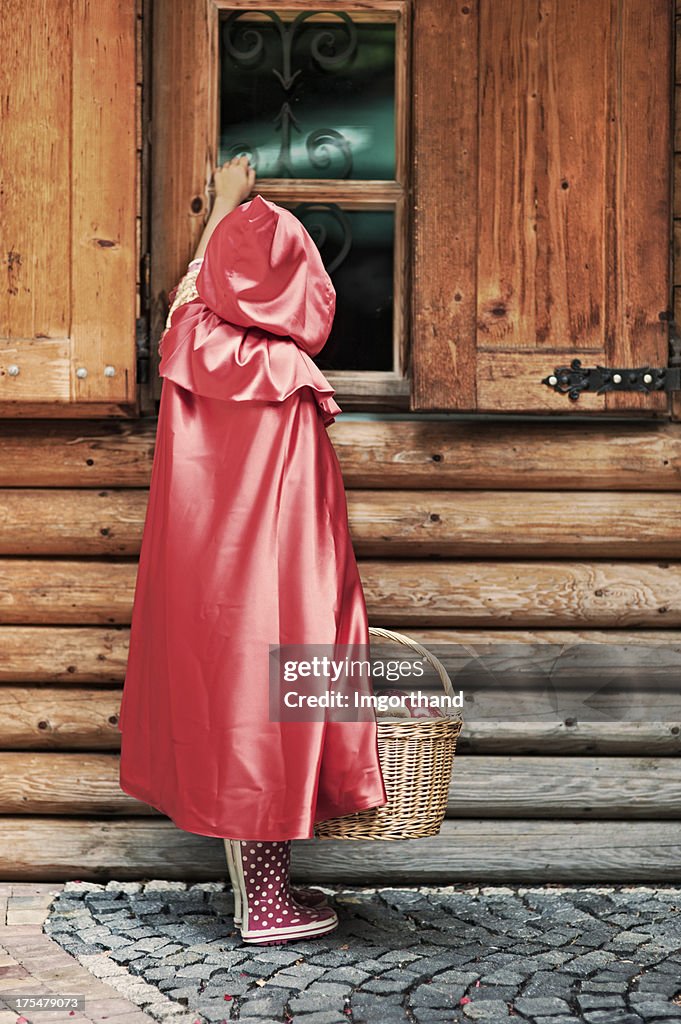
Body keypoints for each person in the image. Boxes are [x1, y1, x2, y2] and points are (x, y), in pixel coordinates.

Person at [117, 156, 387, 945]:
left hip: (204, 579)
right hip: (279, 577)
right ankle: (268, 901)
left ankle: (258, 894)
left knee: (227, 703)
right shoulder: (289, 374)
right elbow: (299, 510)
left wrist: (221, 213)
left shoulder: (189, 342)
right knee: (274, 705)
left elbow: (191, 293)